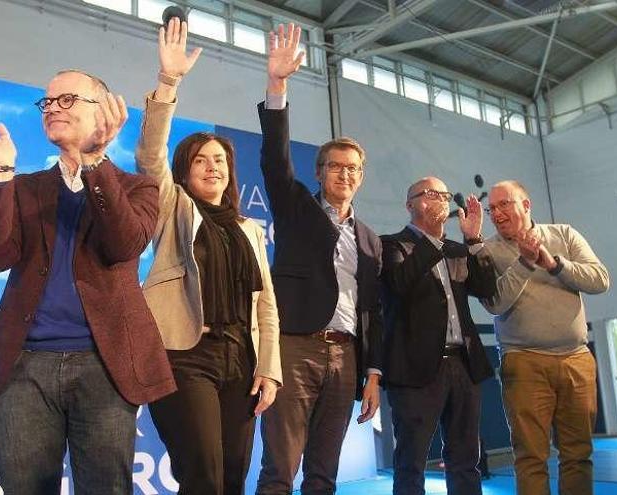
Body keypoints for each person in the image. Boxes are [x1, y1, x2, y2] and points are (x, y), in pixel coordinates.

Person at [0, 68, 174, 493]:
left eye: (67, 100)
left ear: (104, 113)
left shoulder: (138, 188)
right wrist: (0, 172)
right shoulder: (24, 187)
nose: (52, 107)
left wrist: (94, 163)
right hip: (22, 368)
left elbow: (123, 244)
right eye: (48, 102)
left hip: (105, 365)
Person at [135, 19, 281, 495]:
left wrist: (269, 369)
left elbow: (267, 306)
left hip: (241, 359)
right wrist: (168, 82)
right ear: (185, 171)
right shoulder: (173, 205)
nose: (213, 166)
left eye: (220, 160)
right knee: (204, 475)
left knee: (234, 476)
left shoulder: (248, 228)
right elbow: (150, 158)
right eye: (201, 160)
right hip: (184, 354)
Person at [255, 24, 384, 495]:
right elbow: (274, 159)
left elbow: (373, 310)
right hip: (295, 347)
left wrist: (372, 373)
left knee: (324, 474)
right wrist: (278, 86)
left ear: (361, 177)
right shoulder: (297, 207)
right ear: (320, 172)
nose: (345, 174)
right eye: (335, 166)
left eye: (353, 169)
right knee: (279, 469)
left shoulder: (370, 240)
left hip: (347, 355)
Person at [480, 180, 610, 495]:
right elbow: (494, 302)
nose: (496, 213)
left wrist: (553, 264)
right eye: (491, 208)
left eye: (504, 204)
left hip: (576, 359)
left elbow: (600, 279)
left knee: (578, 454)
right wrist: (526, 263)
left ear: (526, 205)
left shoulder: (564, 234)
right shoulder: (488, 250)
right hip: (523, 361)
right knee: (530, 456)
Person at [380, 177, 496, 495]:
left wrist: (473, 240)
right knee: (411, 462)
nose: (441, 199)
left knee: (465, 459)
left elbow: (488, 290)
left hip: (464, 365)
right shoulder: (391, 245)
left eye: (444, 194)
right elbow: (398, 285)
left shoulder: (459, 251)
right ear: (410, 205)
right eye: (430, 194)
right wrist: (431, 240)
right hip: (416, 370)